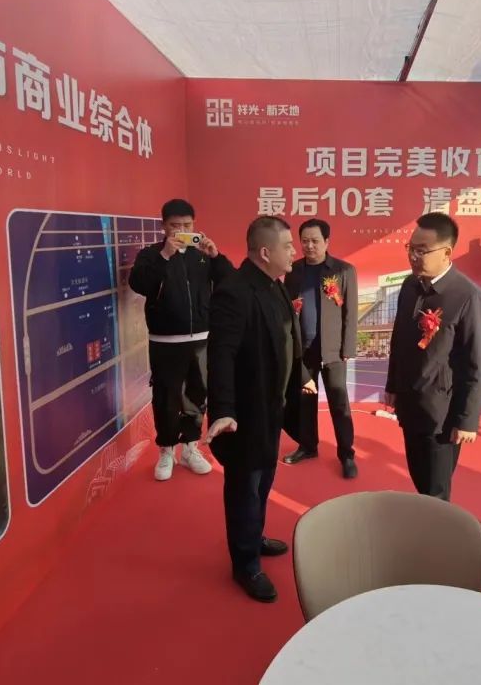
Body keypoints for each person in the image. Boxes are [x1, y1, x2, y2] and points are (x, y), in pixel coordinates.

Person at [204, 216, 314, 602]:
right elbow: (221, 355)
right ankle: (245, 564)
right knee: (244, 489)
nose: (294, 251)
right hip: (245, 413)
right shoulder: (234, 292)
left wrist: (301, 376)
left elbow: (287, 338)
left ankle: (254, 536)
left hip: (272, 406)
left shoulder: (275, 284)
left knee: (263, 480)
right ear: (266, 252)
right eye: (288, 246)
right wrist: (223, 409)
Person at [384, 212, 481, 501]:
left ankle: (435, 528)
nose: (414, 256)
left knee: (436, 489)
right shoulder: (410, 285)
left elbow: (477, 363)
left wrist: (467, 420)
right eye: (411, 248)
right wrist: (392, 385)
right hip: (409, 401)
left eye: (422, 250)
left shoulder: (468, 296)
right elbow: (399, 339)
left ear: (446, 252)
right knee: (418, 475)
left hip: (441, 413)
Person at [129, 199, 233, 481]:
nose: (183, 231)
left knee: (196, 395)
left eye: (188, 225)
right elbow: (139, 283)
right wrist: (165, 255)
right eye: (176, 226)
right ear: (164, 226)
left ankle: (190, 447)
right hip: (164, 340)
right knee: (165, 397)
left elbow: (230, 282)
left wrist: (216, 256)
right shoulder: (151, 254)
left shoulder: (201, 254)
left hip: (201, 338)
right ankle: (166, 450)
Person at [282, 219, 359, 478]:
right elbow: (289, 311)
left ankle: (347, 454)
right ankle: (308, 446)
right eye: (304, 241)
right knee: (305, 402)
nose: (309, 246)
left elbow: (350, 312)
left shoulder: (343, 270)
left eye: (315, 241)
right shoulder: (294, 270)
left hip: (333, 351)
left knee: (339, 403)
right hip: (304, 350)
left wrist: (348, 347)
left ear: (327, 242)